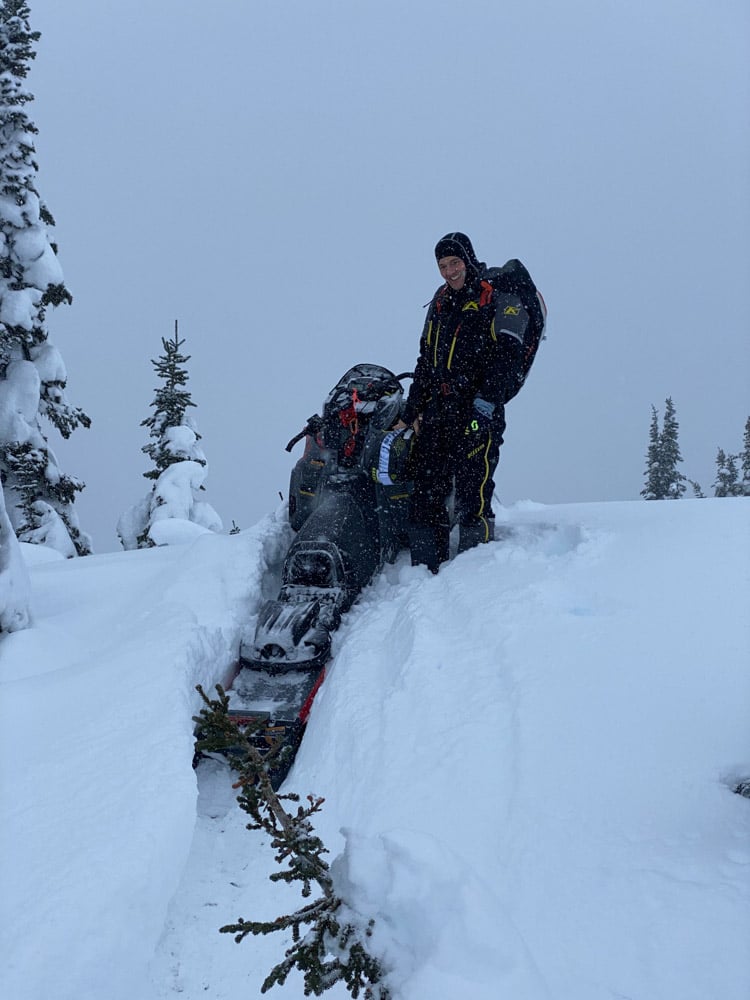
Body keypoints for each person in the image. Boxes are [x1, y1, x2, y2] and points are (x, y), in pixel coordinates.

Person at [399, 232, 537, 573]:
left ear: (468, 259)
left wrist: (486, 402)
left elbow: (508, 355)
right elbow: (425, 361)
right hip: (438, 410)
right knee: (427, 486)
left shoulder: (493, 296)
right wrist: (411, 411)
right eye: (443, 266)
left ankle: (473, 576)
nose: (449, 271)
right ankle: (424, 570)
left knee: (473, 490)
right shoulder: (441, 303)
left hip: (477, 409)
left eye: (454, 263)